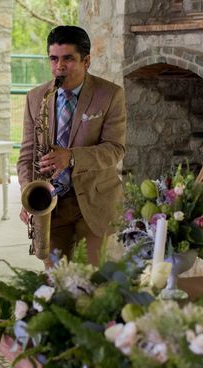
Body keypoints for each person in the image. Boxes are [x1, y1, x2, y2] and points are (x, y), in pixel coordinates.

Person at [17, 25, 126, 266]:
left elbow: (115, 149)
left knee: (87, 283)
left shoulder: (110, 95)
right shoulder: (36, 97)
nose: (59, 67)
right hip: (51, 205)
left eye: (68, 59)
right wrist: (29, 194)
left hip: (94, 202)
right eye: (54, 59)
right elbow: (26, 156)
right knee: (54, 283)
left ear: (86, 60)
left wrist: (72, 157)